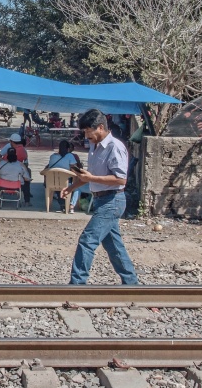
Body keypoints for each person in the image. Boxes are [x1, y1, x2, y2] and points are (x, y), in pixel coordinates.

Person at [60, 109, 139, 285]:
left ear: (101, 127)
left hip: (112, 200)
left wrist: (91, 179)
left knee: (87, 240)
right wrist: (71, 188)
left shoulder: (114, 147)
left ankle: (77, 285)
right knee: (114, 247)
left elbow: (121, 179)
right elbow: (90, 175)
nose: (86, 135)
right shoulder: (95, 146)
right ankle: (131, 283)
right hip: (102, 199)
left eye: (88, 131)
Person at [42, 140, 83, 212]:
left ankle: (62, 204)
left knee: (57, 182)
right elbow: (73, 168)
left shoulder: (52, 156)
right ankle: (70, 205)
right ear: (68, 148)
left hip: (51, 182)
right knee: (74, 185)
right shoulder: (70, 156)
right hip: (65, 182)